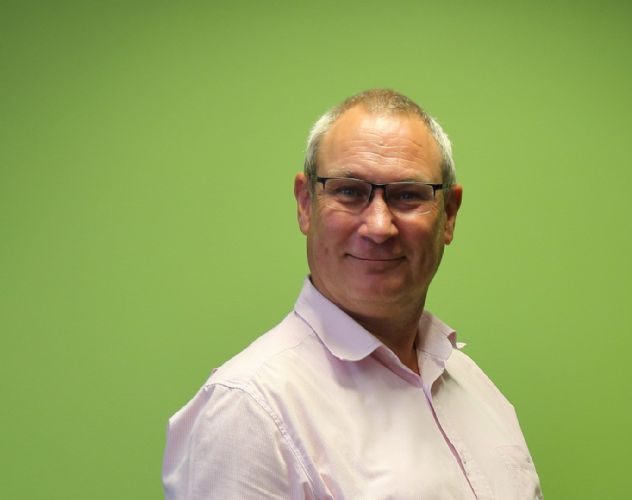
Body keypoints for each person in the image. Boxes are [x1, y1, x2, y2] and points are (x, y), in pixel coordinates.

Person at [162, 89, 543, 499]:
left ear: (449, 215)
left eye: (408, 195)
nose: (379, 226)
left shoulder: (473, 386)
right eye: (348, 191)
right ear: (305, 204)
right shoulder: (249, 411)